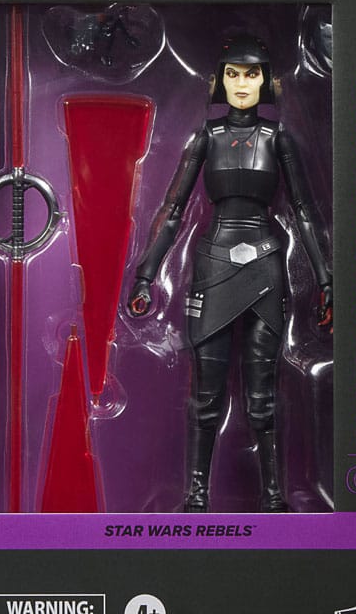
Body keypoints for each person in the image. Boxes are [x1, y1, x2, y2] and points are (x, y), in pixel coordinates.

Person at [128, 34, 332, 512]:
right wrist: (146, 274)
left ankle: (274, 496)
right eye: (233, 74)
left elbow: (305, 211)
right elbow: (172, 210)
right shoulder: (207, 137)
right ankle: (196, 496)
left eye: (252, 73)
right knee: (206, 395)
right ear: (220, 81)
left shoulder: (278, 139)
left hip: (265, 265)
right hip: (214, 264)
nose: (242, 84)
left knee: (263, 397)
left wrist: (325, 280)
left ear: (266, 81)